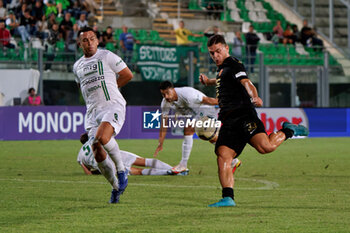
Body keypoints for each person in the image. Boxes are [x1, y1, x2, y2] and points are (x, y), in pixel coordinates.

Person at [199, 34, 309, 207]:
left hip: (243, 115)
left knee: (266, 147)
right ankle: (228, 197)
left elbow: (246, 82)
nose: (215, 56)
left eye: (218, 51)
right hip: (227, 121)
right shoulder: (222, 70)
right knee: (223, 156)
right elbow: (223, 80)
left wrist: (255, 96)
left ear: (226, 48)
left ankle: (289, 130)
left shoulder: (234, 64)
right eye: (212, 53)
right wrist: (209, 81)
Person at [73, 27, 133, 204]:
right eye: (85, 40)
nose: (89, 43)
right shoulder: (77, 66)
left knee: (102, 138)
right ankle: (115, 187)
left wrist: (113, 88)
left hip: (112, 105)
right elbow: (81, 87)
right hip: (92, 113)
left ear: (97, 41)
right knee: (97, 151)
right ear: (80, 43)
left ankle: (121, 170)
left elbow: (127, 75)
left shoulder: (107, 56)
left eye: (92, 39)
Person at [154, 81, 219, 174]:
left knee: (188, 129)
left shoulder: (188, 94)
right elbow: (164, 122)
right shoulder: (165, 103)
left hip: (208, 110)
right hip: (197, 115)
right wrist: (161, 143)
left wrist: (227, 103)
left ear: (173, 89)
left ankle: (183, 165)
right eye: (163, 94)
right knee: (210, 138)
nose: (166, 97)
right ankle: (233, 160)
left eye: (168, 93)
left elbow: (209, 100)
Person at [78, 133, 189, 176]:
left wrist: (97, 172)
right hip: (115, 154)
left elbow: (88, 173)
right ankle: (177, 169)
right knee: (145, 161)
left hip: (107, 164)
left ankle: (169, 172)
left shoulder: (80, 156)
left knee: (138, 172)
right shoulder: (94, 138)